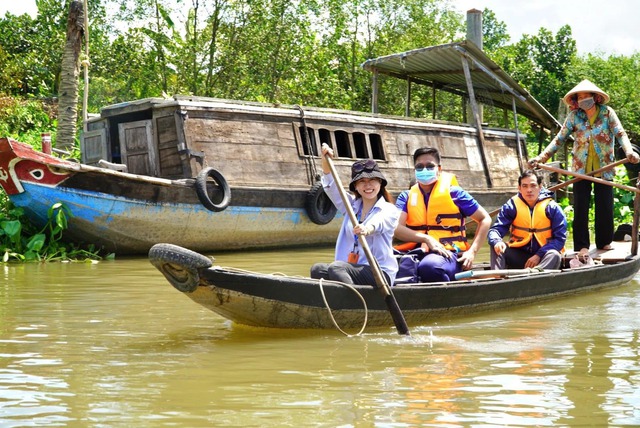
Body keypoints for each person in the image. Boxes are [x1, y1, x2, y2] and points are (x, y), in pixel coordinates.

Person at [529, 79, 640, 259]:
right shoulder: (574, 116)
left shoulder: (607, 113)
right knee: (580, 206)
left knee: (605, 205)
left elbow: (621, 134)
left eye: (585, 96)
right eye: (579, 97)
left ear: (594, 97)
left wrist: (629, 152)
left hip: (605, 167)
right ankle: (582, 246)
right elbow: (559, 139)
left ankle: (604, 242)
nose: (582, 100)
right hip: (580, 169)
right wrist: (541, 157)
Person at [394, 147, 491, 282]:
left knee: (430, 267)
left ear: (439, 169)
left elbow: (485, 219)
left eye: (430, 166)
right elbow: (396, 228)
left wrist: (472, 252)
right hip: (415, 251)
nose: (425, 170)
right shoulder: (406, 196)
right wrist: (426, 239)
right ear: (415, 170)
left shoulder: (455, 193)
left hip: (448, 252)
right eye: (419, 167)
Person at [310, 143, 400, 285]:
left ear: (380, 183)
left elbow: (379, 222)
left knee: (337, 267)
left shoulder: (389, 209)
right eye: (362, 182)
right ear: (356, 187)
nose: (368, 186)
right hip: (350, 269)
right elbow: (331, 187)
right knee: (318, 269)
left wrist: (366, 228)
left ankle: (355, 304)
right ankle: (335, 301)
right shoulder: (351, 206)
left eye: (372, 181)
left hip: (380, 272)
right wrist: (325, 159)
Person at [488, 170, 567, 270]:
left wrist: (538, 255)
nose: (529, 190)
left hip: (543, 257)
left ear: (540, 186)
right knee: (496, 246)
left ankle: (535, 274)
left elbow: (560, 239)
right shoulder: (511, 206)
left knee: (554, 255)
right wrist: (496, 241)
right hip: (520, 255)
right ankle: (497, 278)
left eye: (533, 185)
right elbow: (495, 231)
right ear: (519, 188)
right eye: (525, 186)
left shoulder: (552, 208)